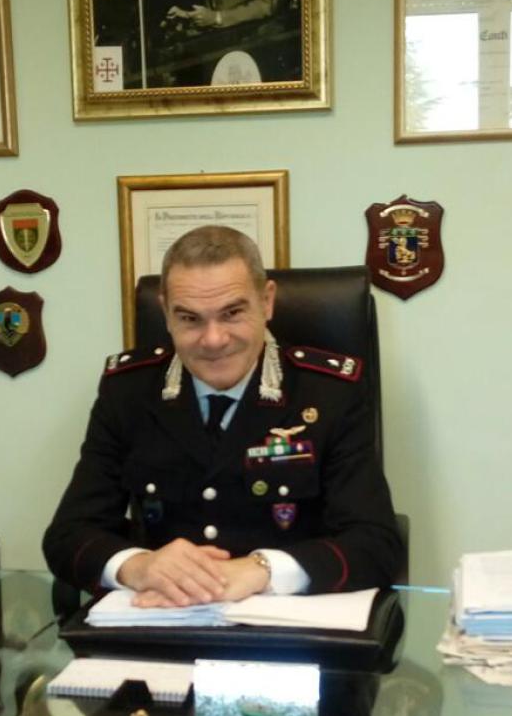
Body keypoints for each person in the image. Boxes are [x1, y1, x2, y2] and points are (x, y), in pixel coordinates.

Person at [43, 226, 403, 608]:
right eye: (190, 318)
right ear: (166, 313)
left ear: (266, 302)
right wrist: (137, 566)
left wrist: (263, 570)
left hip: (289, 625)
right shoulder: (128, 392)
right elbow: (68, 534)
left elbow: (375, 543)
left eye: (232, 313)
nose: (213, 339)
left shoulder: (328, 393)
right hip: (162, 620)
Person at [164, 0, 272, 31]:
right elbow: (209, 11)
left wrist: (217, 17)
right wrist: (187, 15)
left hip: (245, 43)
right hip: (215, 46)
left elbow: (263, 6)